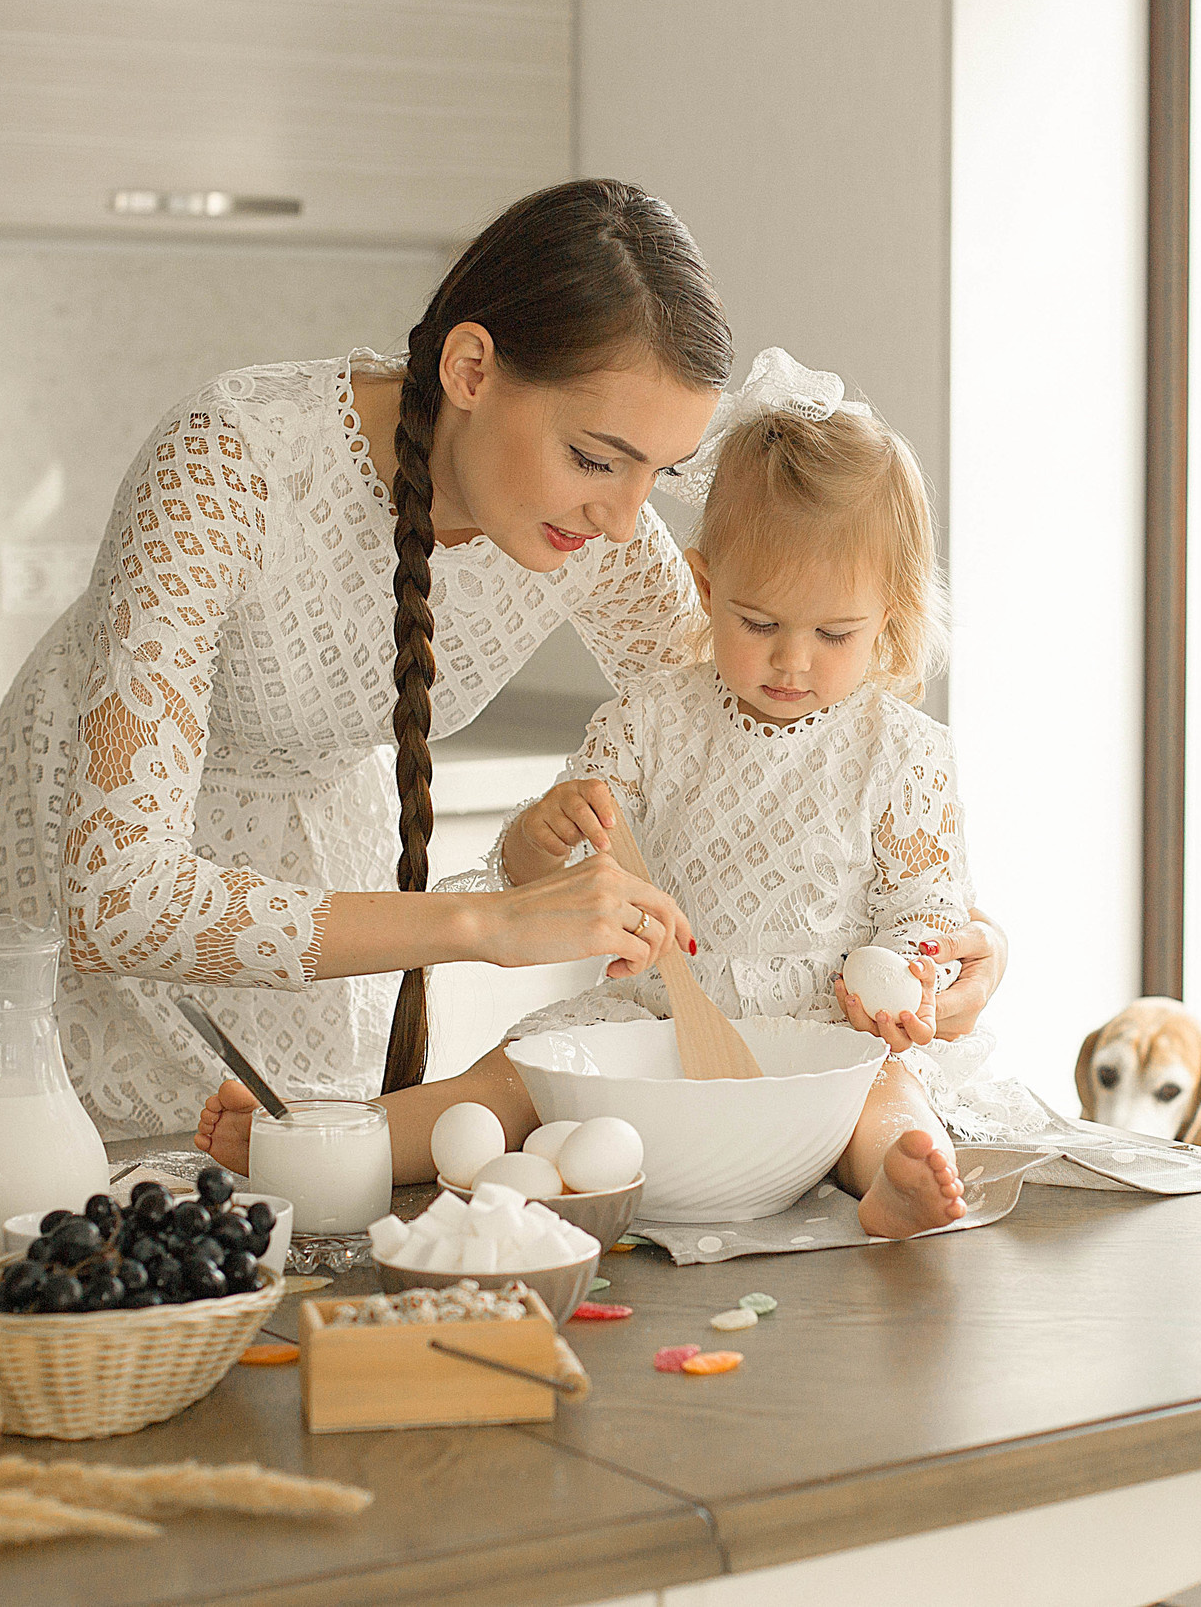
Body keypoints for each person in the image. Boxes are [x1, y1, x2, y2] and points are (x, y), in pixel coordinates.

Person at [0, 180, 1007, 1138]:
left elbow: (775, 746)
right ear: (469, 369)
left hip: (318, 872)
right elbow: (120, 896)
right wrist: (487, 921)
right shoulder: (226, 464)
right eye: (594, 458)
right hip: (97, 859)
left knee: (305, 1181)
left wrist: (945, 940)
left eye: (659, 473)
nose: (625, 517)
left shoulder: (600, 532)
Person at [200, 353, 987, 1238]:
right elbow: (551, 878)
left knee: (889, 1092)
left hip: (824, 1033)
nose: (791, 660)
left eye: (834, 633)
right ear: (705, 587)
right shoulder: (651, 718)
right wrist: (542, 836)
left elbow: (926, 904)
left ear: (888, 618)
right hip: (654, 1022)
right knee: (505, 1083)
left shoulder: (904, 752)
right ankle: (321, 1139)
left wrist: (907, 976)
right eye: (758, 622)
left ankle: (901, 1177)